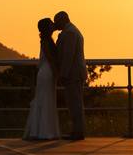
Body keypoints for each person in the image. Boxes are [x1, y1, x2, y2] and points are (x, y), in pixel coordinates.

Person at [23, 18, 61, 140]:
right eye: (51, 24)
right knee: (46, 100)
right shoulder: (47, 41)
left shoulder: (46, 40)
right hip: (47, 72)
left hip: (44, 72)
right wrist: (57, 73)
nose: (53, 25)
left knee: (44, 99)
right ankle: (45, 131)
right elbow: (50, 58)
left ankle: (40, 130)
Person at [53, 11, 86, 140]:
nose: (56, 24)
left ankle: (78, 132)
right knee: (74, 103)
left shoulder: (70, 33)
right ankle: (77, 131)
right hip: (75, 73)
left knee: (75, 104)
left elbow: (68, 56)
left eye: (57, 22)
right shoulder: (71, 31)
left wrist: (63, 74)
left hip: (73, 74)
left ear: (63, 20)